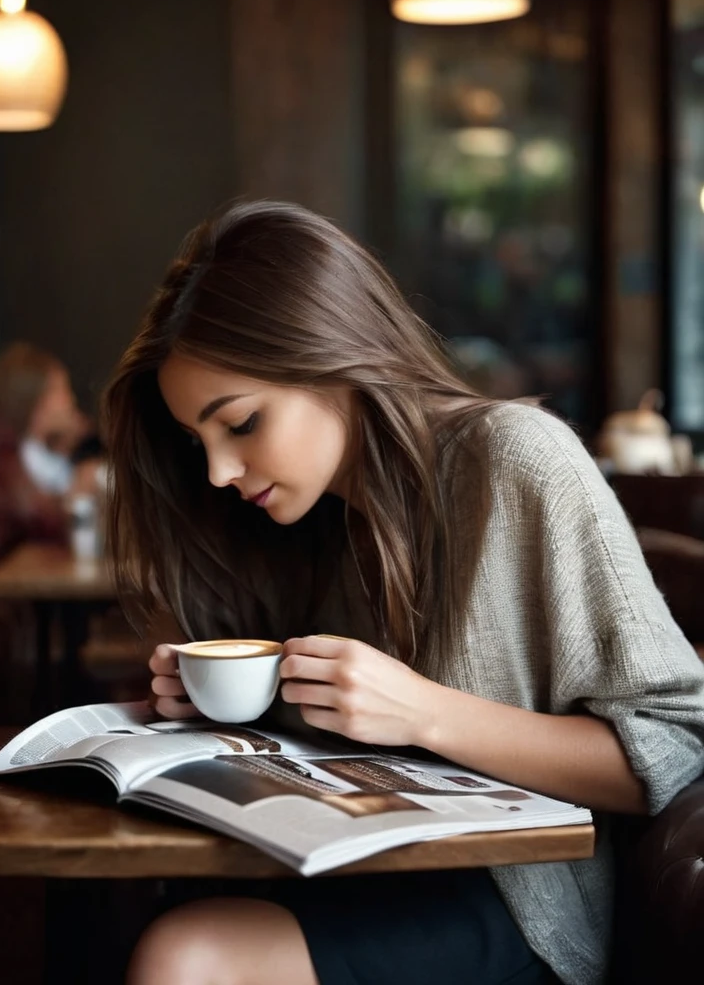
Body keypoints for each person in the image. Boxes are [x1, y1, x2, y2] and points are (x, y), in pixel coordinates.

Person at [101, 200, 704, 985]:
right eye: (198, 442)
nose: (217, 471)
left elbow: (673, 747)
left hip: (511, 900)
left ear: (333, 358)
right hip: (347, 864)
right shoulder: (304, 521)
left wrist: (423, 710)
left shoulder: (516, 462)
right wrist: (222, 701)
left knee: (188, 957)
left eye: (242, 424)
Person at [0, 342, 102, 580]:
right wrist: (76, 493)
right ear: (38, 400)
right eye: (62, 390)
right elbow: (36, 524)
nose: (71, 400)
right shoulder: (4, 457)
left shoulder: (34, 451)